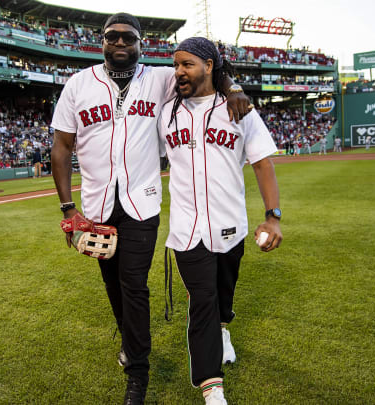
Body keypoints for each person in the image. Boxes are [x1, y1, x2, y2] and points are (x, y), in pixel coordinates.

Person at [50, 13, 251, 405]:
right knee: (112, 284)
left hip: (141, 201)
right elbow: (61, 147)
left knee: (134, 284)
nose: (120, 43)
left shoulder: (159, 77)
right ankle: (129, 341)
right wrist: (68, 209)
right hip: (96, 202)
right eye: (113, 37)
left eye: (129, 37)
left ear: (142, 43)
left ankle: (137, 374)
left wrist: (235, 87)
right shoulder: (78, 85)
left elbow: (210, 70)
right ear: (102, 41)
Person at [158, 37, 283, 405]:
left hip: (230, 226)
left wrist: (272, 217)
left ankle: (223, 329)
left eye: (187, 64)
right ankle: (212, 387)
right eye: (176, 64)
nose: (178, 71)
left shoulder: (239, 110)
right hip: (186, 229)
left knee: (222, 299)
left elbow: (262, 162)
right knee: (202, 301)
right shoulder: (165, 113)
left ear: (209, 66)